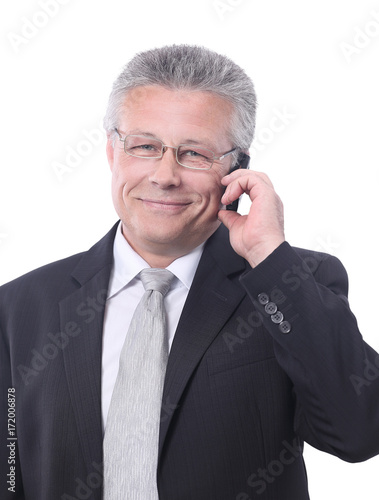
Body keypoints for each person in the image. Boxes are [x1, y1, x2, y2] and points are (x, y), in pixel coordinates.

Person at [1, 44, 378, 500]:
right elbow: (10, 474)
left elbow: (359, 431)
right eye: (144, 146)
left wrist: (268, 255)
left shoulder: (291, 283)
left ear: (237, 168)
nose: (164, 175)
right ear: (110, 152)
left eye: (194, 154)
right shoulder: (20, 306)